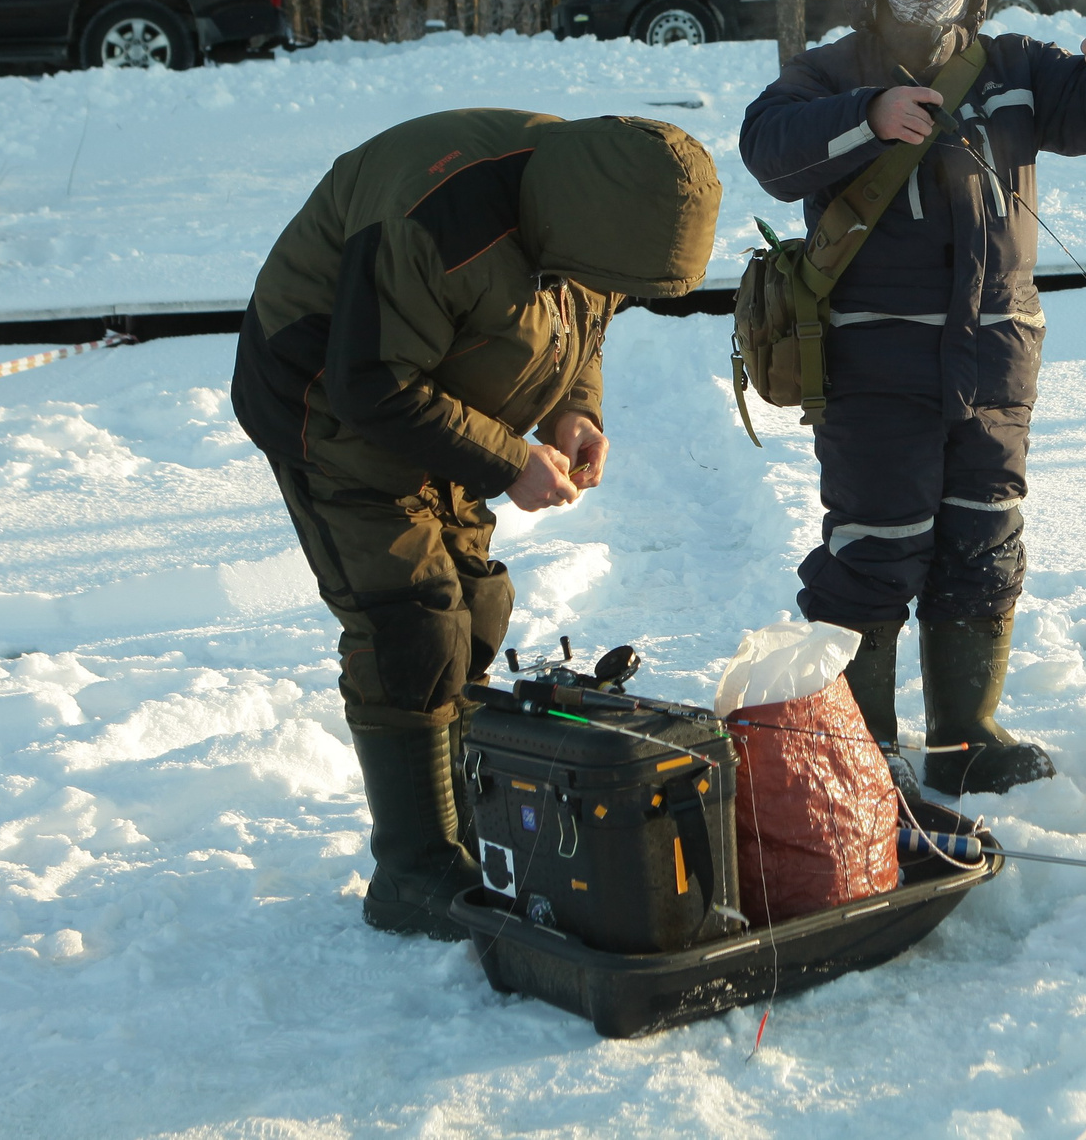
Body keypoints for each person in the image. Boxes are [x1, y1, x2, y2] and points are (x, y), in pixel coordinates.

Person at [232, 110, 721, 938]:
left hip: (440, 401)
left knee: (477, 608)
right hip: (327, 403)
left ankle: (467, 823)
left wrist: (574, 410)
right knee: (411, 620)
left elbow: (583, 324)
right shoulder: (439, 224)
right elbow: (371, 382)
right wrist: (508, 462)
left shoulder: (608, 208)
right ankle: (416, 869)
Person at [739, 0, 1086, 795]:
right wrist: (868, 116)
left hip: (997, 359)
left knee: (983, 543)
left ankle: (967, 738)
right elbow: (767, 145)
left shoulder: (1014, 67)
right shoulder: (834, 68)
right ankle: (864, 753)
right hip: (871, 360)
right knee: (875, 547)